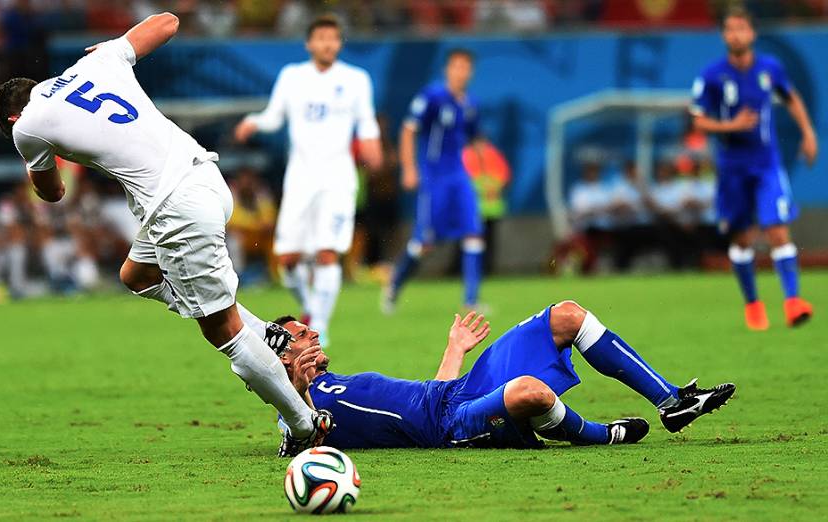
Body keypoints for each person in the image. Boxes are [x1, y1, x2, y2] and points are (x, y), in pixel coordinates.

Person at [0, 12, 331, 457]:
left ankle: (304, 426)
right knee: (136, 275)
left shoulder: (27, 125)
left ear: (13, 116)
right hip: (206, 178)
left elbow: (52, 193)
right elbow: (169, 22)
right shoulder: (95, 63)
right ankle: (265, 333)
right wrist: (112, 45)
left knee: (222, 332)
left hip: (175, 206)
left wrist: (38, 154)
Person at [275, 302, 735, 450]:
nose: (312, 334)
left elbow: (425, 398)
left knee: (566, 316)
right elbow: (290, 429)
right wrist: (289, 384)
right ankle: (602, 435)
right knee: (529, 393)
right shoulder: (300, 408)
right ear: (282, 357)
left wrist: (453, 350)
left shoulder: (331, 385)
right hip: (452, 427)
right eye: (299, 335)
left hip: (455, 391)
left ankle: (671, 401)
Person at [234, 14, 383, 347]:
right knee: (287, 260)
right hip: (300, 178)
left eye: (333, 38)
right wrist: (254, 123)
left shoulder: (356, 79)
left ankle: (321, 326)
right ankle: (309, 308)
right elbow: (274, 117)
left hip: (338, 178)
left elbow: (367, 121)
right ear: (309, 43)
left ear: (339, 44)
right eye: (321, 38)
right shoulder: (292, 77)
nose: (327, 44)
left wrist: (372, 143)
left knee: (327, 253)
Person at [690, 7, 817, 330]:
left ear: (753, 33)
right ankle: (753, 305)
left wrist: (808, 132)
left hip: (766, 164)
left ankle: (793, 302)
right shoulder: (711, 75)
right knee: (743, 239)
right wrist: (731, 125)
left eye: (741, 29)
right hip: (732, 168)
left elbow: (791, 98)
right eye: (730, 30)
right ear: (723, 36)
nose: (736, 35)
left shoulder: (770, 68)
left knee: (776, 229)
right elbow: (697, 120)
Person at [384, 49, 486, 313]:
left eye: (465, 68)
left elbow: (475, 140)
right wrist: (409, 168)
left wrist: (484, 172)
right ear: (447, 70)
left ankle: (471, 300)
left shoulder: (470, 104)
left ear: (471, 72)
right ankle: (395, 284)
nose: (460, 72)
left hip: (459, 177)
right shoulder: (432, 96)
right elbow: (408, 130)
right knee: (425, 243)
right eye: (456, 67)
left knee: (473, 233)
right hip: (434, 177)